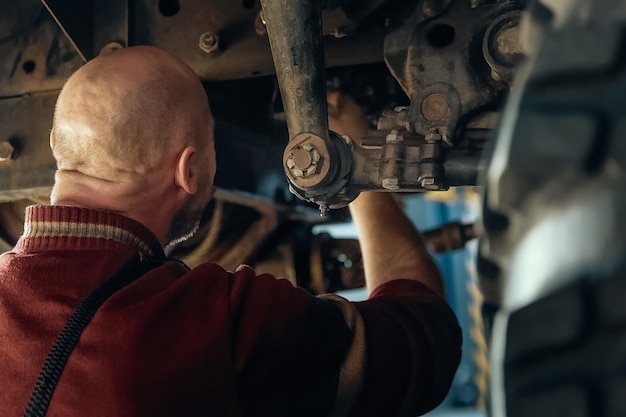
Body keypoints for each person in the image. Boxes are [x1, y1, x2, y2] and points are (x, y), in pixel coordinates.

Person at [0, 46, 461, 417]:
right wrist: (359, 168)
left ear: (59, 147)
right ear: (190, 170)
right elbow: (425, 342)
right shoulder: (214, 326)